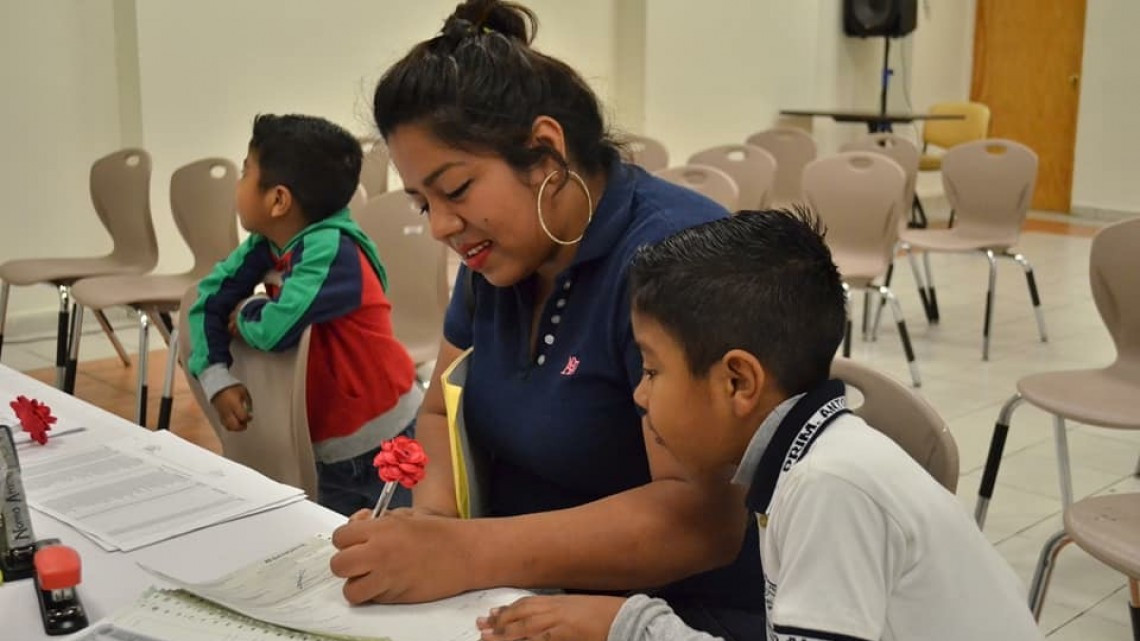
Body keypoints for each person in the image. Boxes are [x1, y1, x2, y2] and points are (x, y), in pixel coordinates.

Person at [328, 1, 769, 637]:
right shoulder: (501, 260)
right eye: (424, 204)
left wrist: (463, 554)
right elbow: (436, 411)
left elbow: (698, 520)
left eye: (455, 190)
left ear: (544, 152)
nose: (443, 228)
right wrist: (435, 524)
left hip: (667, 617)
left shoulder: (674, 257)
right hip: (519, 595)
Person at [476, 209, 1044, 641]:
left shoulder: (829, 486)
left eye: (652, 369)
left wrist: (628, 624)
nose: (639, 393)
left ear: (738, 383)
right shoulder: (805, 458)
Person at [186, 114, 423, 517]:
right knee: (337, 546)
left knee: (400, 546)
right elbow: (207, 300)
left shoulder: (334, 250)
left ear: (278, 200)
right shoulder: (268, 244)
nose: (237, 186)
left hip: (385, 436)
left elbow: (279, 329)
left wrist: (247, 311)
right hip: (326, 444)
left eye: (245, 172)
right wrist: (217, 378)